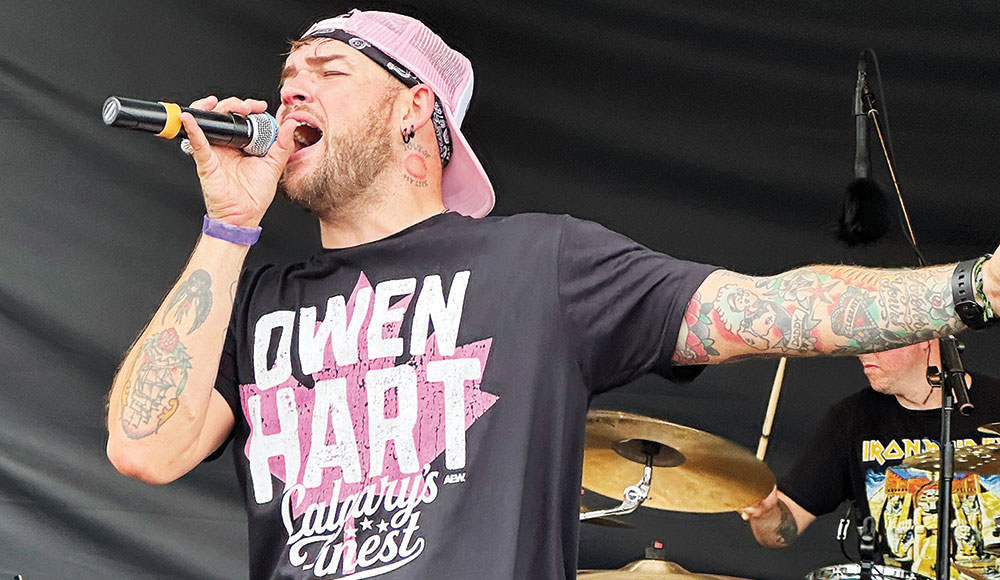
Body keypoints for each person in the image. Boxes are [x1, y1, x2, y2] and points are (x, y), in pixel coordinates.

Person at [104, 9, 1000, 580]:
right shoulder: (253, 296)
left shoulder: (542, 264)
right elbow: (145, 449)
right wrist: (228, 223)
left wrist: (980, 285)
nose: (291, 86)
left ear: (415, 110)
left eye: (329, 69)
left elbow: (772, 306)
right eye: (286, 74)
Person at [741, 340, 1000, 579]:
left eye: (877, 341)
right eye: (861, 341)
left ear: (925, 338)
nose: (863, 352)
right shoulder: (853, 419)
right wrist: (766, 513)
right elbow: (782, 531)